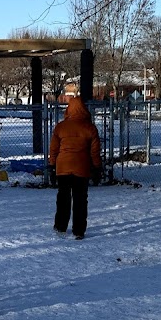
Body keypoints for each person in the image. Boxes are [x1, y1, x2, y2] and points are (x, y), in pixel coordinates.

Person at [48, 96, 102, 240]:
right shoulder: (90, 128)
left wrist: (52, 166)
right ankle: (78, 230)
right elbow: (94, 152)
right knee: (80, 200)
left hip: (63, 167)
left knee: (63, 197)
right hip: (81, 168)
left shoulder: (61, 127)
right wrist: (97, 167)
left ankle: (60, 226)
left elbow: (53, 149)